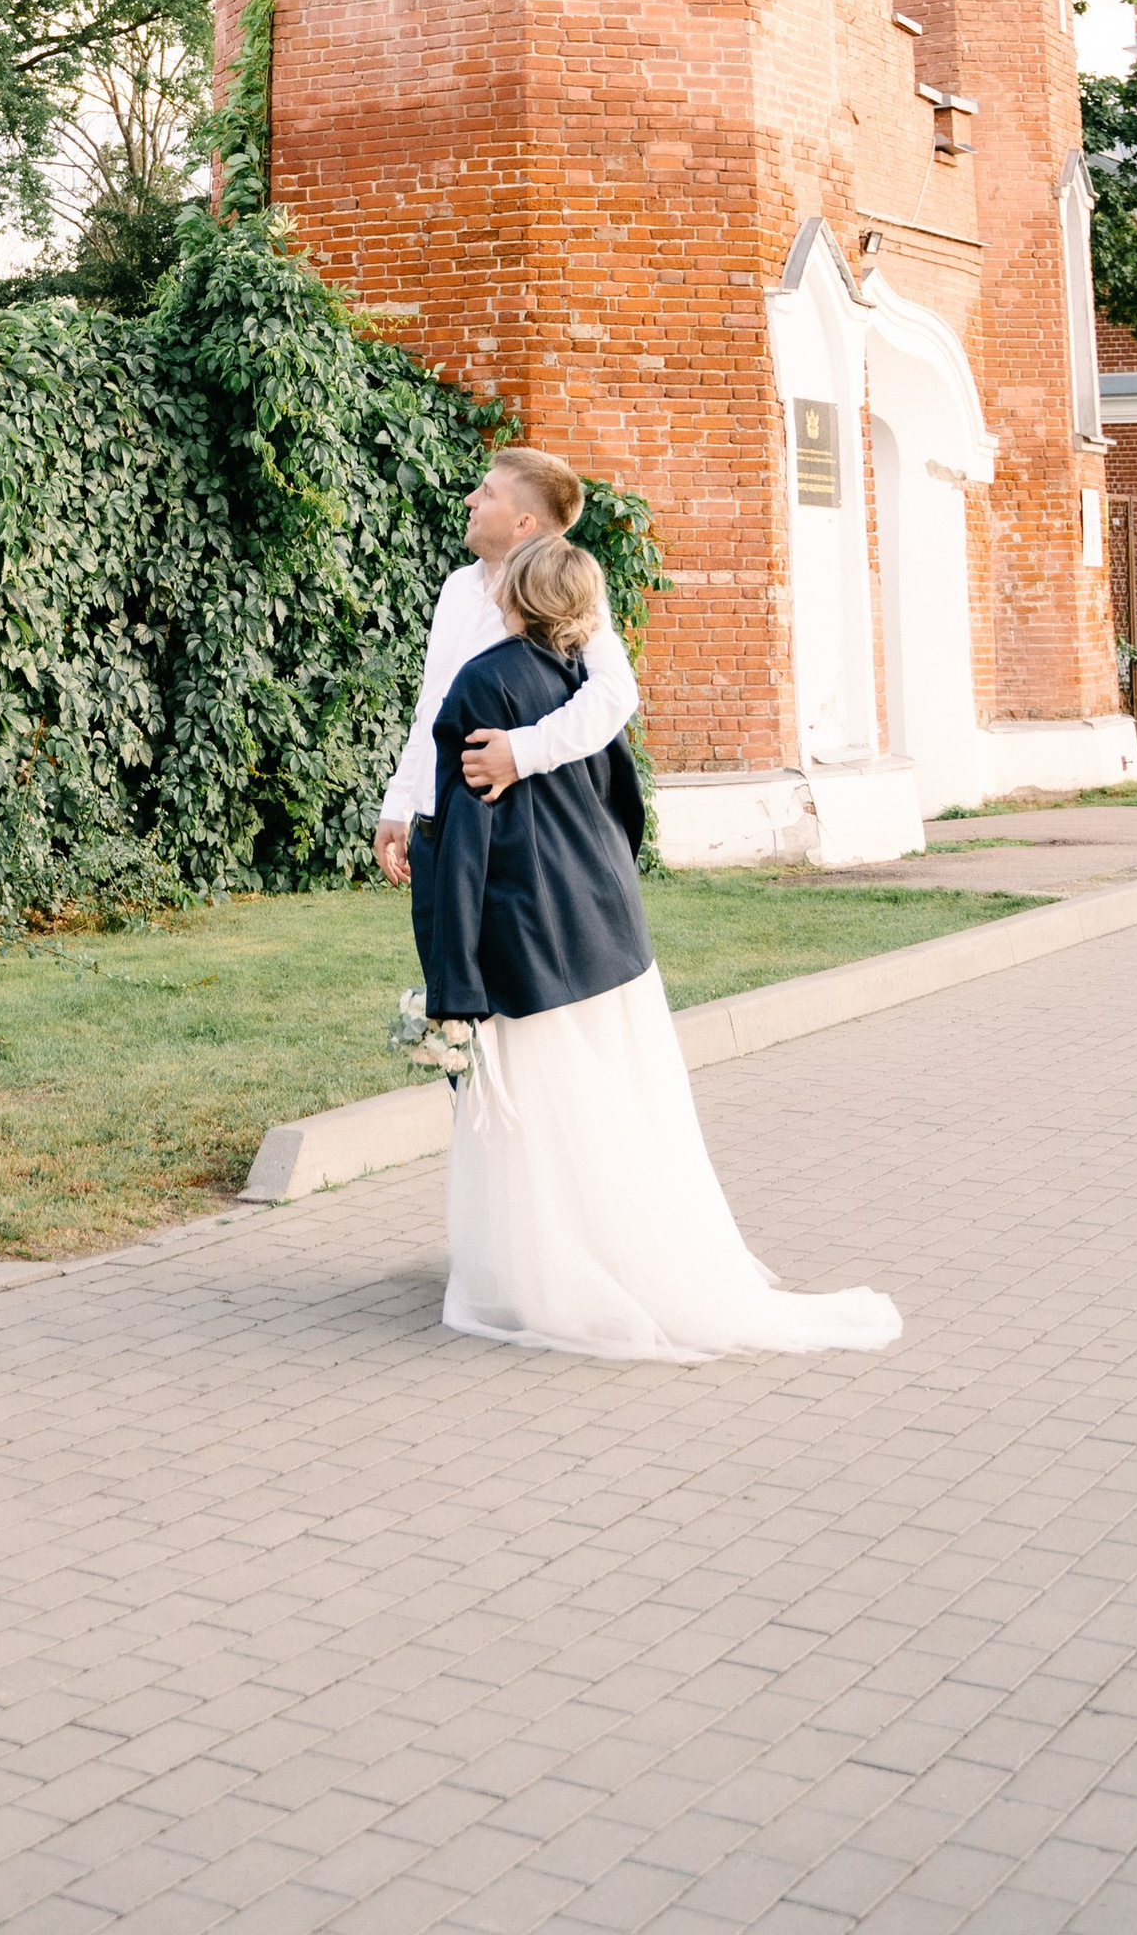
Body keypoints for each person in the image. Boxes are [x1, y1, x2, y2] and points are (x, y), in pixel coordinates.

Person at [418, 528, 902, 1364]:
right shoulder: (582, 684)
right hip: (606, 918)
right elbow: (624, 803)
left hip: (529, 924)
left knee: (541, 1108)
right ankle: (623, 1254)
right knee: (615, 1100)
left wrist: (453, 978)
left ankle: (551, 1276)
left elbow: (466, 842)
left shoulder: (483, 684)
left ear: (512, 597)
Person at [374, 447, 634, 888]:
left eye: (488, 493)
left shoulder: (562, 597)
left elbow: (616, 694)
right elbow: (431, 706)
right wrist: (398, 804)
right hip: (431, 837)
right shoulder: (458, 587)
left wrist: (520, 753)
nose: (469, 500)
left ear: (523, 524)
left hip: (503, 843)